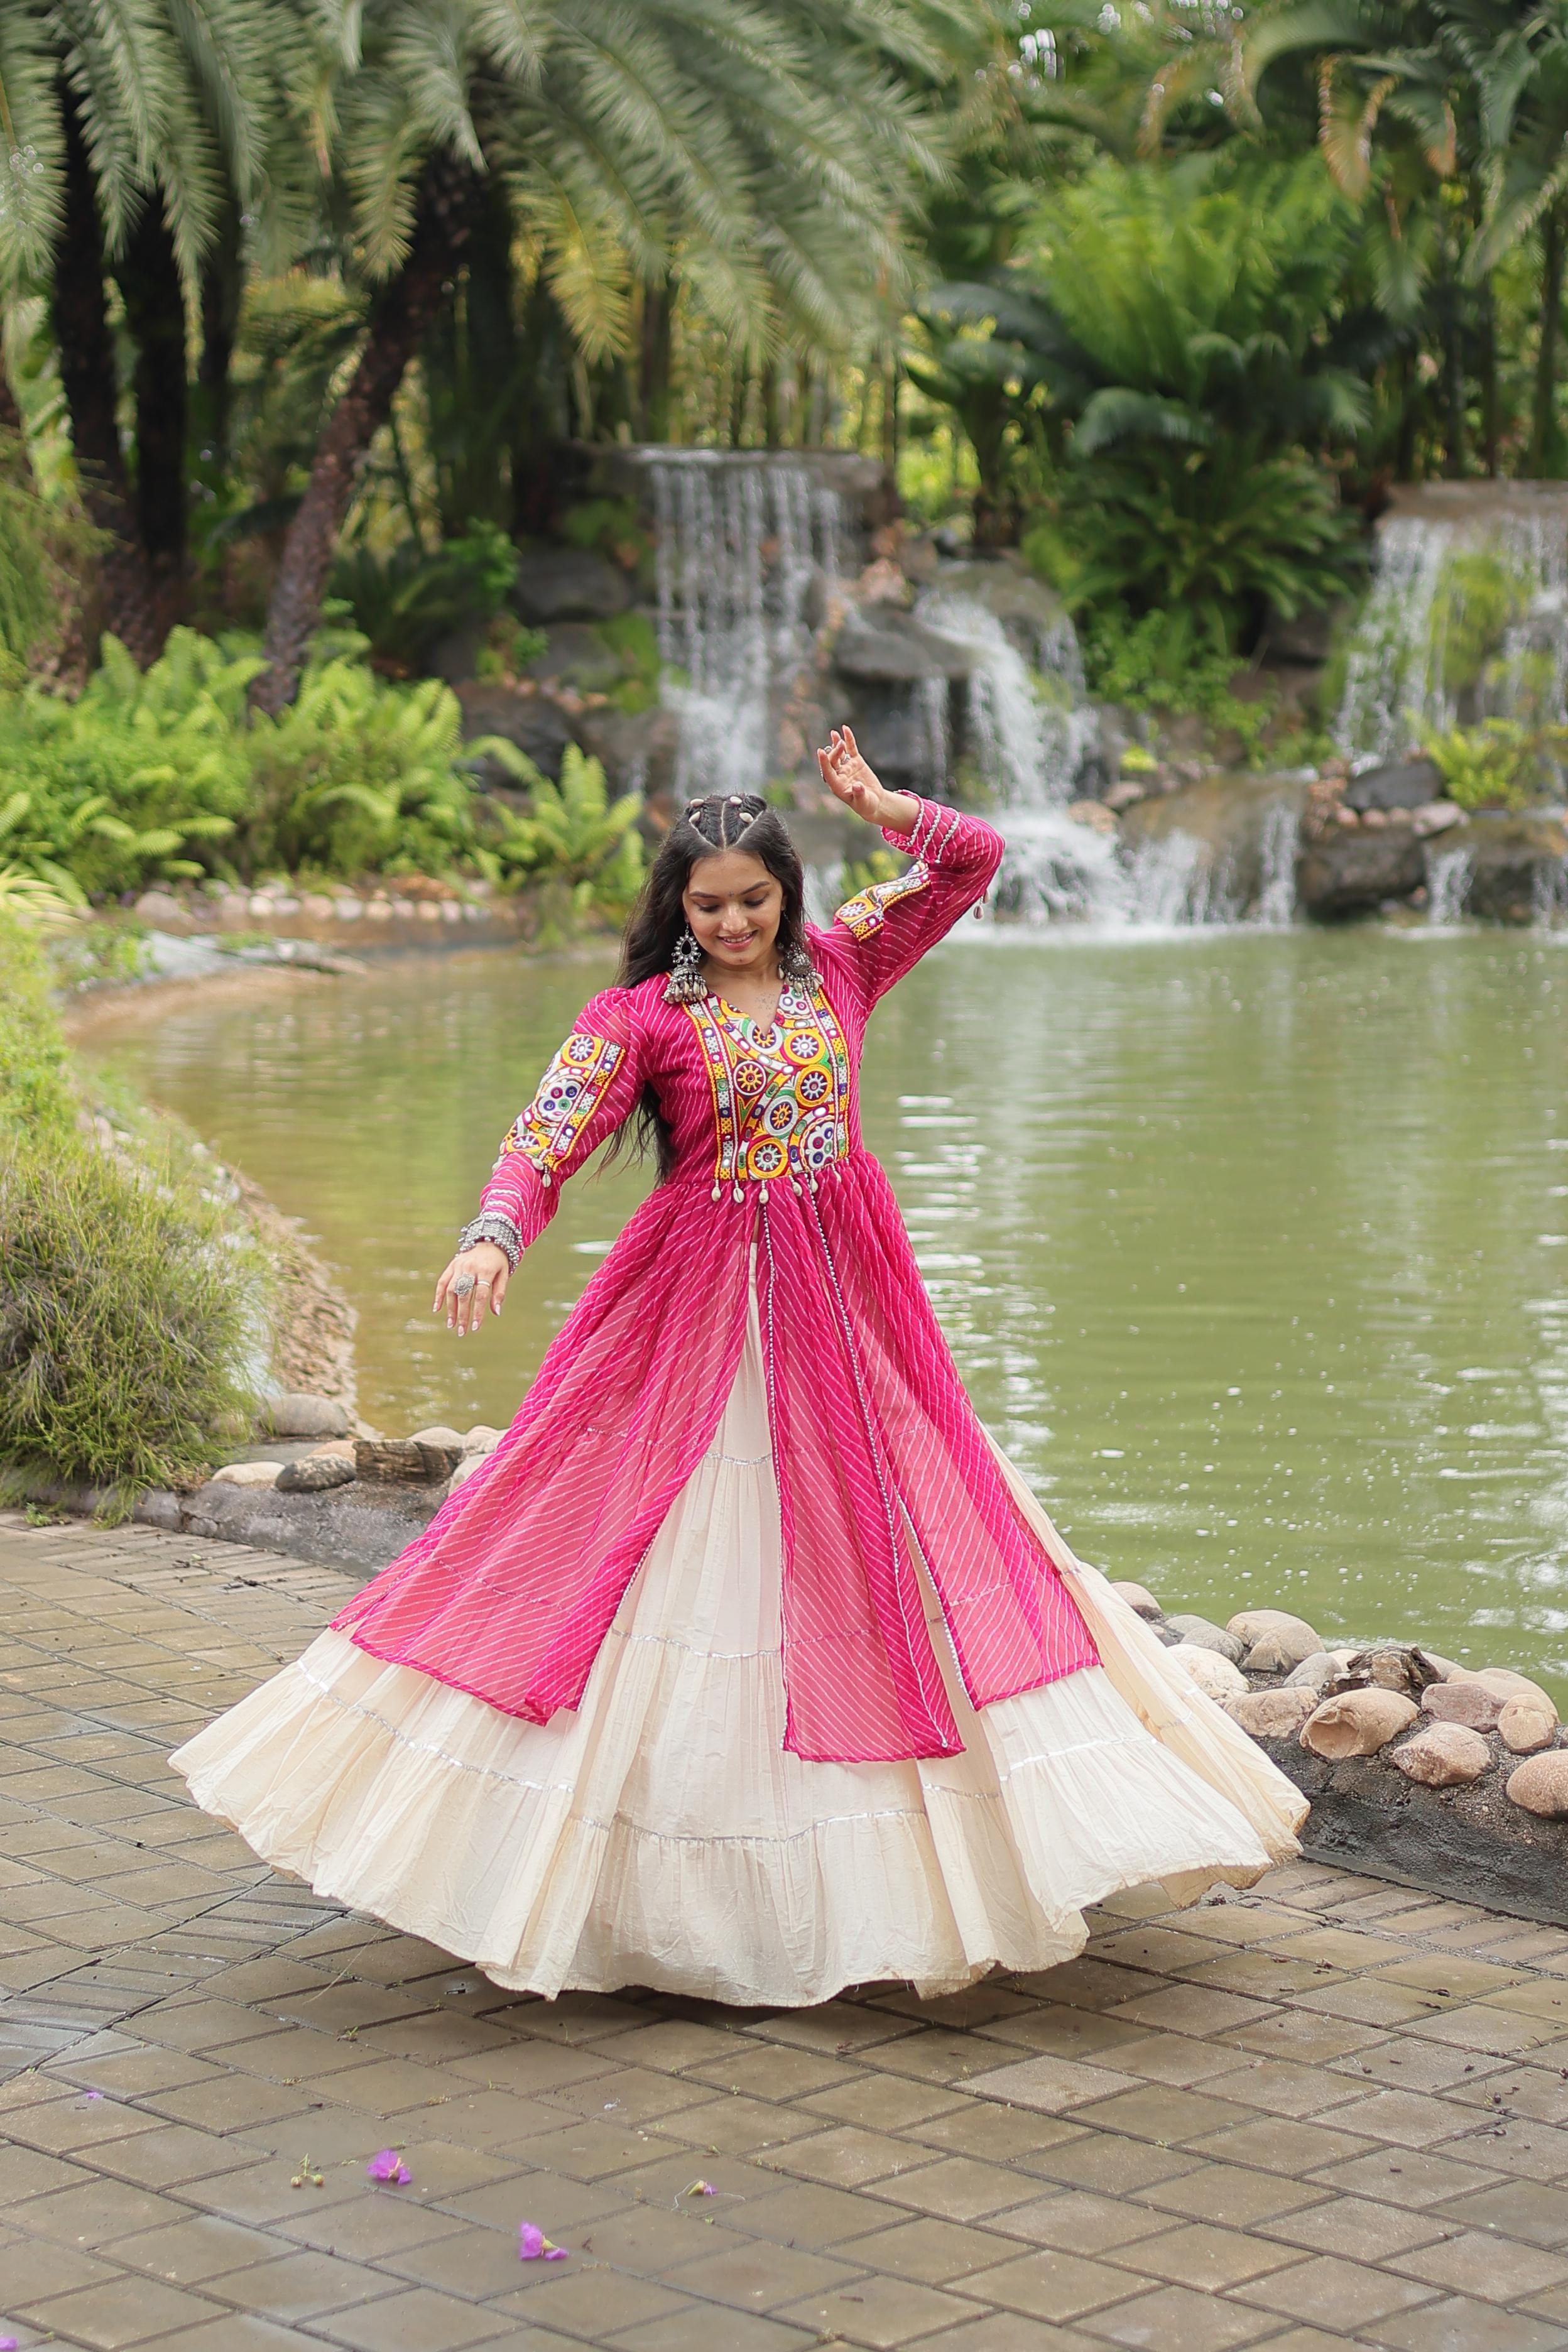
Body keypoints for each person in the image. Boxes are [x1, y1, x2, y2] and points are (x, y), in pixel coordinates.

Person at [173, 730, 1305, 2007]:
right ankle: (642, 1879)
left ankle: (912, 1868)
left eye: (752, 901)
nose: (731, 924)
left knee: (887, 1530)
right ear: (676, 907)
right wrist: (493, 1239)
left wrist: (883, 806)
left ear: (786, 895)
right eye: (706, 906)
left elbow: (975, 860)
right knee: (668, 1543)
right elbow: (544, 1142)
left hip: (846, 1295)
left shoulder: (844, 964)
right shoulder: (640, 1017)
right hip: (697, 1300)